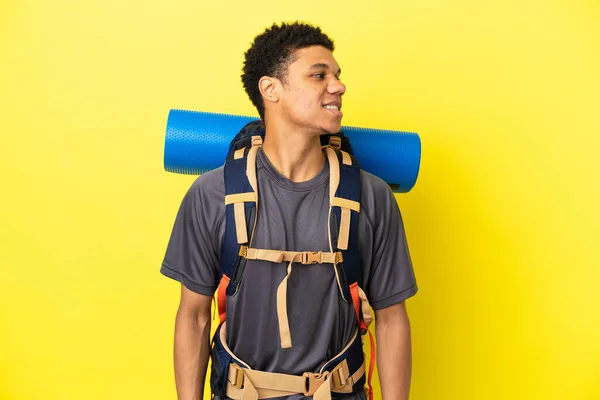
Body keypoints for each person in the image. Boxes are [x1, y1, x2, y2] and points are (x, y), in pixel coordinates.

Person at [161, 22, 418, 400]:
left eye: (337, 75)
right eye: (318, 75)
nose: (338, 86)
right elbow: (193, 316)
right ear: (271, 89)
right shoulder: (212, 194)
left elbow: (393, 319)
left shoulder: (372, 195)